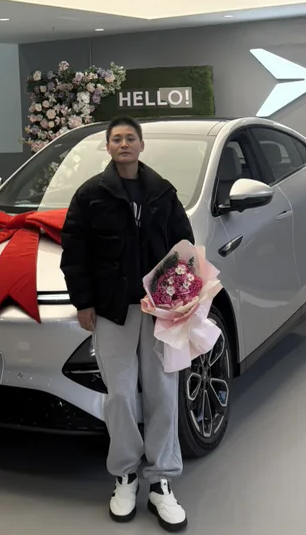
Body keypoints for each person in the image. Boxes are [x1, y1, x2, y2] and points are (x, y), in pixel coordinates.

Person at [60, 116, 193, 531]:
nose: (123, 144)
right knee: (119, 395)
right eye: (116, 138)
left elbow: (184, 246)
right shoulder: (90, 195)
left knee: (162, 393)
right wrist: (83, 302)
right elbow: (74, 253)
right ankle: (125, 475)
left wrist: (179, 300)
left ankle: (161, 481)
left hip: (158, 311)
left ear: (141, 144)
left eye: (130, 138)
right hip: (112, 310)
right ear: (108, 146)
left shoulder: (162, 192)